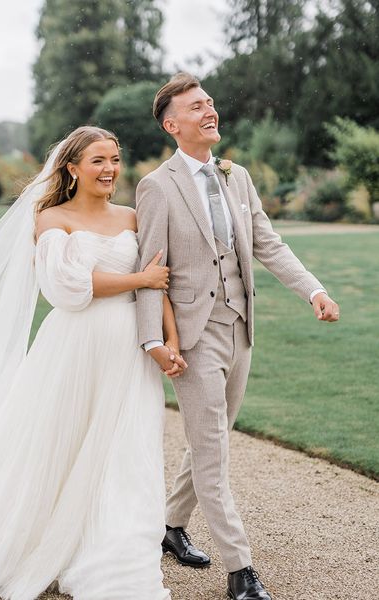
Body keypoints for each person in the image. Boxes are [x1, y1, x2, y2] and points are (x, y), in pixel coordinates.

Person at [0, 126, 185, 600]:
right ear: (72, 168)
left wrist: (168, 338)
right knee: (57, 440)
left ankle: (116, 548)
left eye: (115, 159)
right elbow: (65, 287)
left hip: (128, 350)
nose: (110, 170)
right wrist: (139, 278)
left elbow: (157, 282)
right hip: (73, 348)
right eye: (99, 161)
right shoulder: (50, 218)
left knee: (126, 446)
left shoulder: (131, 217)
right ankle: (42, 535)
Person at [136, 73, 340, 600]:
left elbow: (267, 244)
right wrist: (154, 342)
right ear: (172, 124)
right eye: (196, 106)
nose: (210, 111)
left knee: (213, 435)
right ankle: (241, 571)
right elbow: (149, 272)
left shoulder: (237, 176)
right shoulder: (158, 186)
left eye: (210, 102)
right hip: (193, 337)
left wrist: (312, 290)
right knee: (213, 451)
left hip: (240, 328)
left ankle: (171, 525)